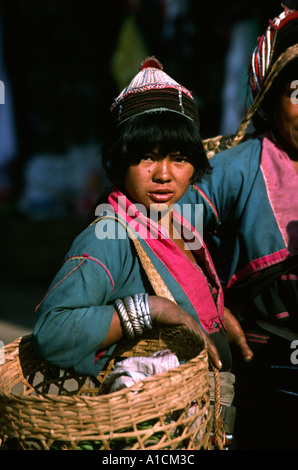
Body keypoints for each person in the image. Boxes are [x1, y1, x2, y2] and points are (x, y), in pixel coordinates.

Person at [33, 57, 251, 380]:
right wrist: (150, 309)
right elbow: (52, 330)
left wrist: (216, 315)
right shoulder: (109, 237)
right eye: (148, 156)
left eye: (179, 159)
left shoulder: (179, 222)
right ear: (121, 161)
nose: (164, 175)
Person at [179, 7, 298, 449]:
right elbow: (164, 230)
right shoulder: (235, 169)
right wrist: (208, 301)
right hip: (264, 363)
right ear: (269, 98)